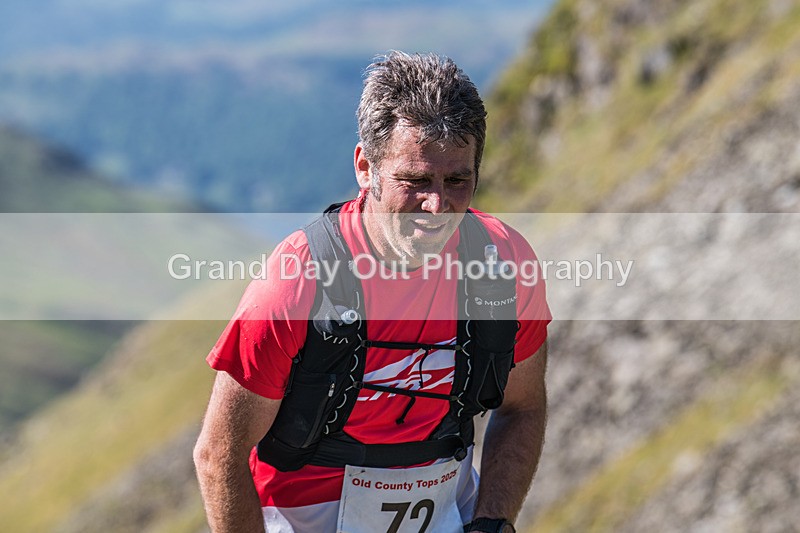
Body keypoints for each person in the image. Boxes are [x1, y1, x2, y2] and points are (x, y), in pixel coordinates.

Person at [194, 51, 551, 533]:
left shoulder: (504, 265)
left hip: (447, 512)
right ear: (366, 167)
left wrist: (493, 521)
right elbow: (219, 454)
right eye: (415, 180)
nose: (437, 205)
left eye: (458, 180)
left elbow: (523, 406)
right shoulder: (298, 282)